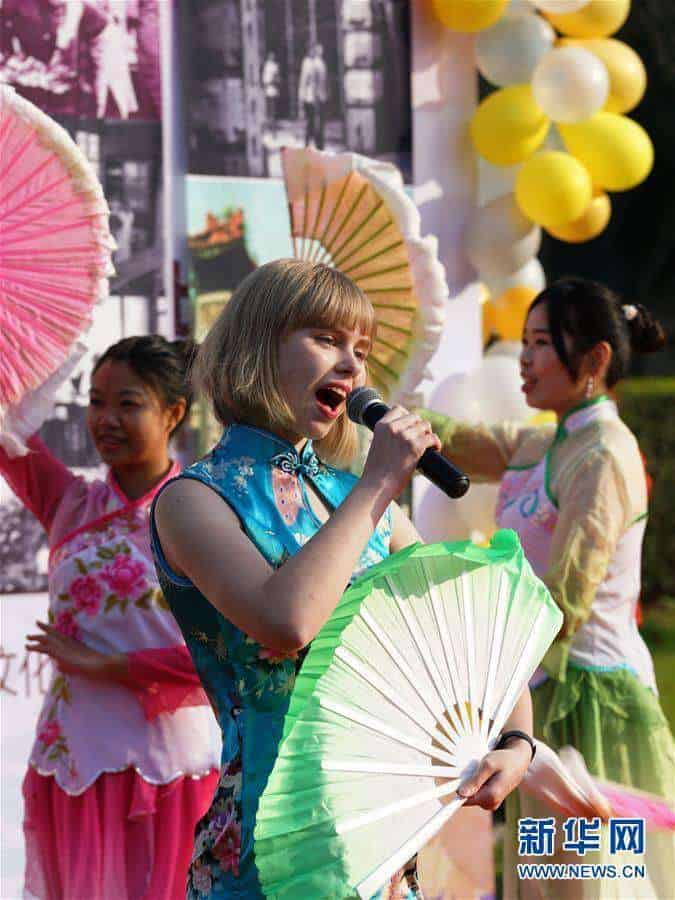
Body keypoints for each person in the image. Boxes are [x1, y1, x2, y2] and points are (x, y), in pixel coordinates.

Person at [151, 258, 535, 899]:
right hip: (269, 841)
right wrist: (380, 482)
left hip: (382, 839)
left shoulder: (358, 499)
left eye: (362, 349)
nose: (352, 365)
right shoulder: (194, 498)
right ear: (257, 344)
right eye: (327, 339)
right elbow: (287, 621)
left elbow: (470, 626)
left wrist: (517, 740)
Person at [419, 278, 675, 897]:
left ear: (595, 359)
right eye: (525, 341)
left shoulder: (603, 455)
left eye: (541, 343)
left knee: (595, 884)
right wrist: (377, 407)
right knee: (549, 882)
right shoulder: (547, 442)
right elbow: (462, 442)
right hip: (540, 691)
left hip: (596, 703)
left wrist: (471, 647)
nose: (525, 359)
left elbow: (566, 602)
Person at [0, 336, 220, 900]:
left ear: (174, 412)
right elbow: (6, 430)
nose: (106, 419)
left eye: (128, 403)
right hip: (76, 761)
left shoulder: (203, 512)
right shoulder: (68, 502)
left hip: (173, 768)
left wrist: (111, 666)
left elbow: (227, 648)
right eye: (96, 402)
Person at [298, 43, 327, 150]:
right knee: (311, 123)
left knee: (318, 123)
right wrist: (301, 100)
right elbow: (304, 82)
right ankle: (309, 145)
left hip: (319, 97)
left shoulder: (319, 62)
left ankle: (318, 146)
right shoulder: (307, 63)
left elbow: (322, 81)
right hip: (310, 98)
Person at [262, 50, 280, 129]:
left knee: (273, 108)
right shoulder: (266, 65)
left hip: (273, 89)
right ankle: (269, 124)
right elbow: (264, 77)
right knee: (268, 108)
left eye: (273, 55)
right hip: (267, 89)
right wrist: (265, 84)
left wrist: (275, 81)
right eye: (270, 55)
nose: (271, 57)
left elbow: (277, 78)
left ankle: (273, 124)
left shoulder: (275, 66)